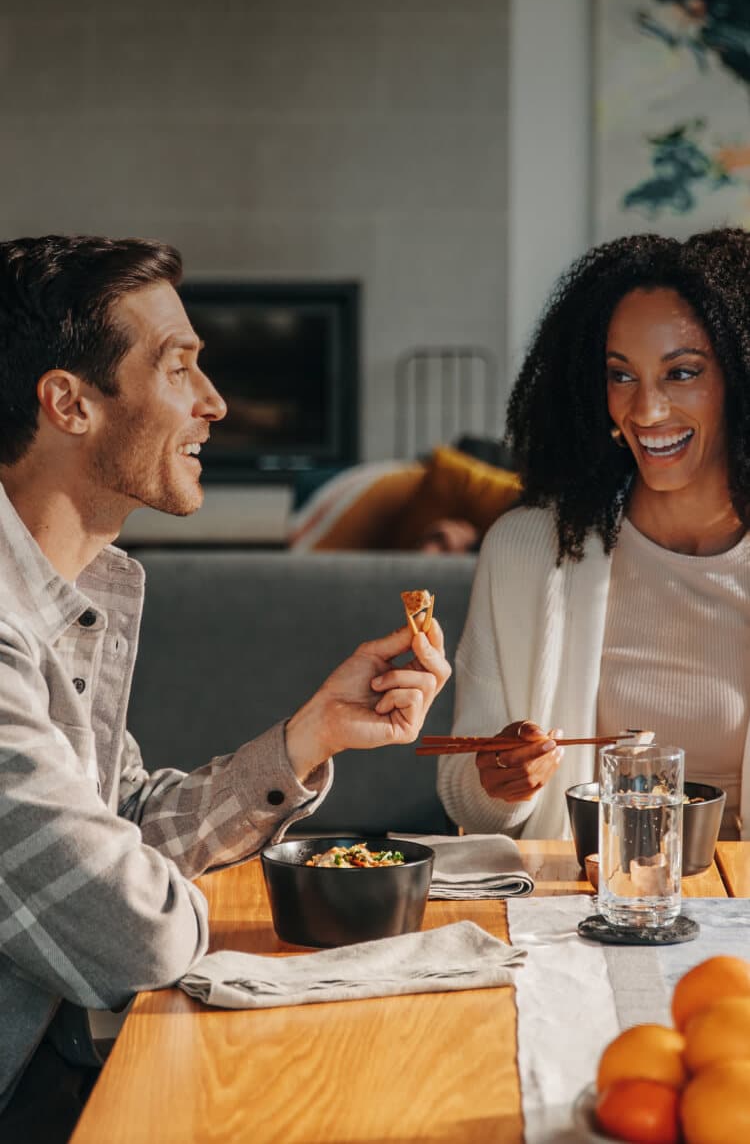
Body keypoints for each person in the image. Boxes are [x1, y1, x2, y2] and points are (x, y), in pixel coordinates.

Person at [0, 235, 451, 1140]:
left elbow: (119, 825)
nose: (214, 404)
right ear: (69, 403)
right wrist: (143, 896)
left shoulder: (66, 597)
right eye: (179, 369)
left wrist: (308, 738)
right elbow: (135, 938)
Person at [438, 228, 750, 843]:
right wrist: (499, 781)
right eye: (621, 375)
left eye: (682, 373)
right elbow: (466, 801)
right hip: (581, 906)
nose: (646, 411)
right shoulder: (528, 553)